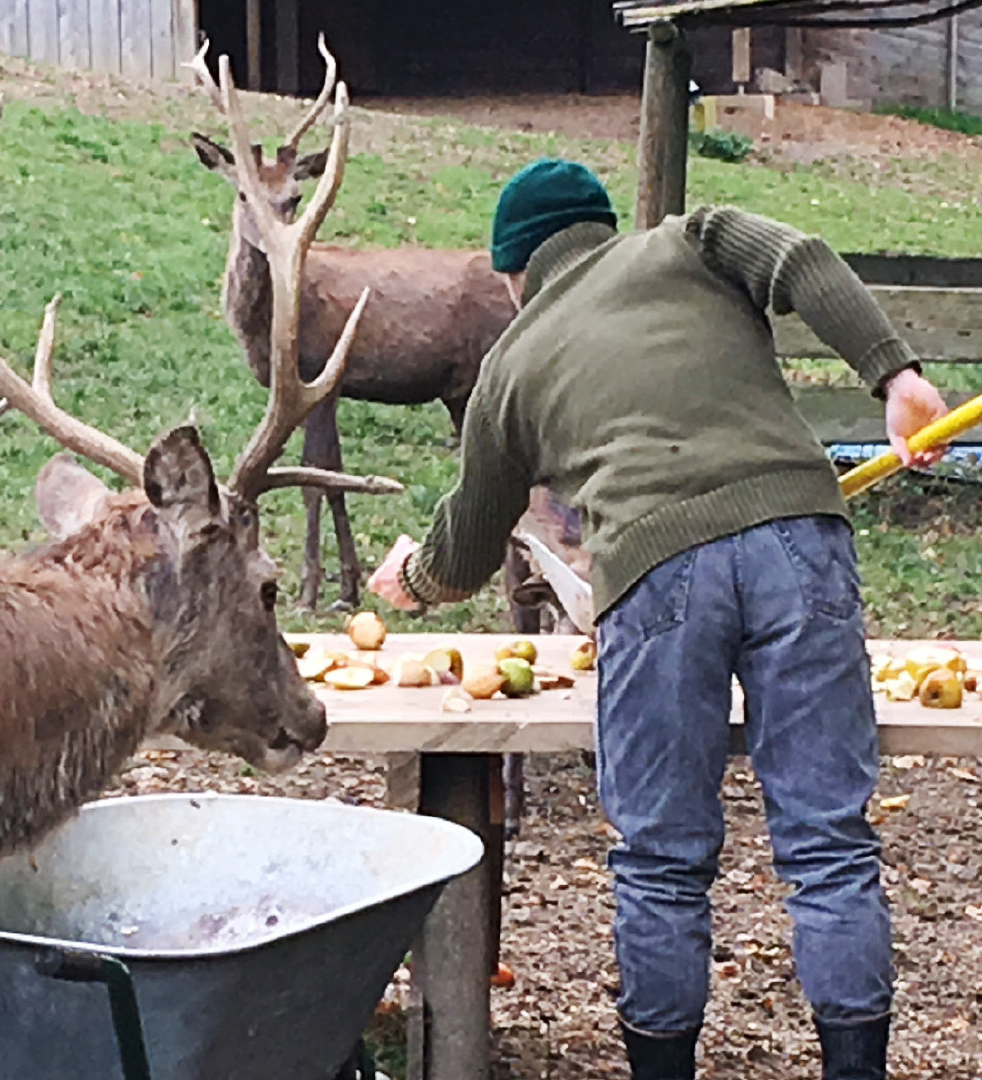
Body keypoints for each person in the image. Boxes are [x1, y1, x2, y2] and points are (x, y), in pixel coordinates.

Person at [368, 159, 949, 1080]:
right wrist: (895, 376)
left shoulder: (511, 365)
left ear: (514, 274)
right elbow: (800, 258)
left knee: (662, 861)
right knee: (830, 844)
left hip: (655, 571)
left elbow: (470, 542)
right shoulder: (694, 239)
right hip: (802, 537)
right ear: (602, 231)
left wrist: (417, 577)